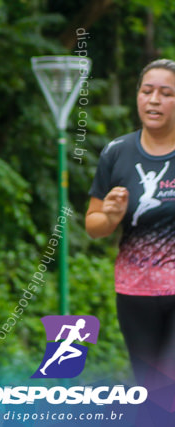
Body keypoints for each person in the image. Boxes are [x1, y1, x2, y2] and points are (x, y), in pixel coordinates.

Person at [86, 58, 175, 401]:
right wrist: (109, 216)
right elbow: (93, 227)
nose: (153, 100)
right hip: (135, 293)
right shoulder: (117, 153)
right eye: (147, 91)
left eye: (166, 93)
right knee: (151, 391)